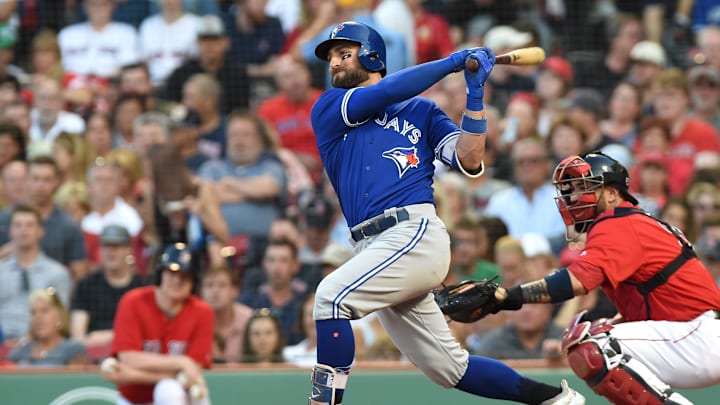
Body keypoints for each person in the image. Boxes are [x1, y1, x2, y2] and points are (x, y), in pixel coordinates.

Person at [307, 21, 584, 405]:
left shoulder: (421, 111)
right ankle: (557, 400)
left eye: (344, 53)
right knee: (449, 369)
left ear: (371, 56)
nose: (334, 63)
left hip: (412, 233)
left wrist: (475, 93)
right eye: (332, 57)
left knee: (331, 298)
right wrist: (453, 62)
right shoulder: (330, 109)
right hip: (373, 247)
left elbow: (469, 159)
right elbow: (387, 90)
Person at [483, 151, 720, 404]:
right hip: (692, 335)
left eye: (584, 187)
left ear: (612, 193)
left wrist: (505, 296)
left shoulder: (617, 222)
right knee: (598, 333)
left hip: (698, 337)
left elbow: (573, 282)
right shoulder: (633, 222)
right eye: (570, 190)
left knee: (594, 348)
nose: (573, 198)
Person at [104, 243, 214, 405]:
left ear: (194, 282)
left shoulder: (202, 311)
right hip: (134, 399)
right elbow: (128, 358)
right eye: (172, 273)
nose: (177, 280)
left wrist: (133, 374)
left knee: (169, 390)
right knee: (170, 386)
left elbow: (193, 371)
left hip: (181, 397)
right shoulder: (133, 302)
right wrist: (182, 362)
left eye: (185, 276)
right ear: (160, 274)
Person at [70, 225, 144, 348]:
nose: (110, 252)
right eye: (106, 246)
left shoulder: (142, 288)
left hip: (135, 354)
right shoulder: (86, 286)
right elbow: (78, 339)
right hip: (94, 359)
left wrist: (106, 336)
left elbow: (149, 335)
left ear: (129, 249)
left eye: (116, 246)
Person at [8, 287, 87, 367]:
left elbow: (75, 378)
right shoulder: (20, 353)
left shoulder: (73, 350)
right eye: (33, 313)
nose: (38, 317)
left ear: (59, 317)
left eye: (44, 311)